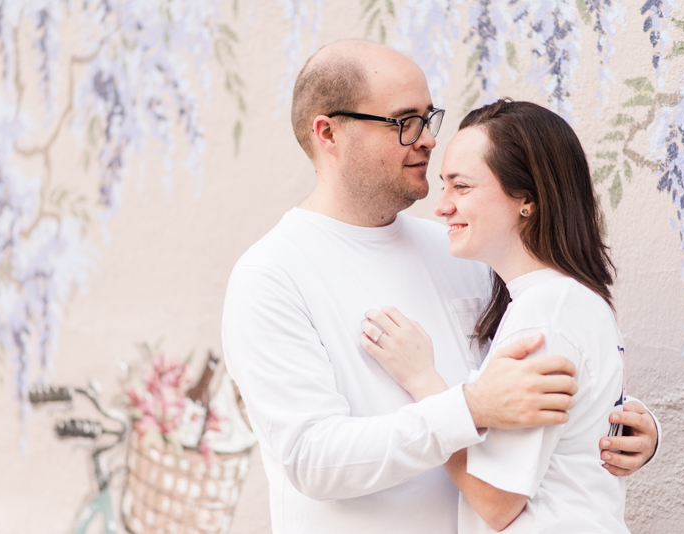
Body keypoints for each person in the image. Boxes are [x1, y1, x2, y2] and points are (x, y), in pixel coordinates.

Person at [222, 40, 658, 534]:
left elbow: (541, 374)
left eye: (429, 118)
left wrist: (613, 425)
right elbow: (311, 458)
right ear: (329, 132)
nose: (427, 139)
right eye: (404, 121)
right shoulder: (272, 274)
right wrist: (464, 408)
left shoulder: (464, 251)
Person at [360, 99, 635, 532]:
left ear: (526, 199)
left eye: (461, 187)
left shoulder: (544, 314)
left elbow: (496, 501)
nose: (442, 205)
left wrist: (422, 380)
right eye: (443, 186)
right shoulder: (569, 301)